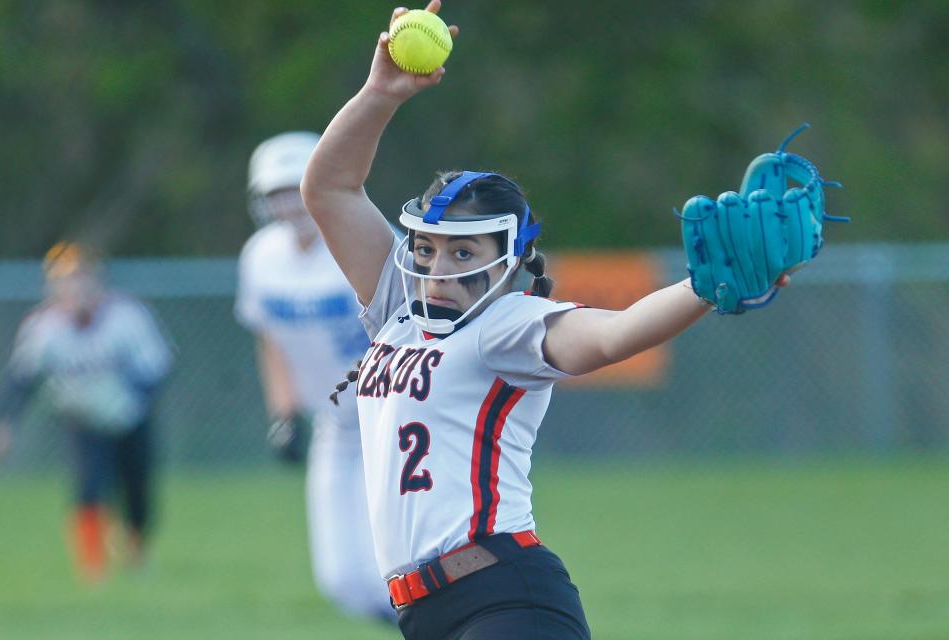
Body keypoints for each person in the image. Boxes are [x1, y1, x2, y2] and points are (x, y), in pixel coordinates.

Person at [299, 3, 792, 638]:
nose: (437, 266)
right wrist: (380, 93)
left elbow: (613, 335)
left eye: (463, 252)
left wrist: (705, 286)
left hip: (504, 598)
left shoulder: (506, 322)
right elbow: (330, 189)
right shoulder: (398, 306)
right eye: (426, 248)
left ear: (510, 261)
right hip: (424, 611)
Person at [235, 132, 394, 620]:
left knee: (395, 567)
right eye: (275, 193)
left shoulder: (365, 238)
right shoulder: (262, 257)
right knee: (343, 581)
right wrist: (283, 413)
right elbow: (271, 340)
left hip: (393, 419)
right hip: (336, 424)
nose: (288, 203)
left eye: (295, 188)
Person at [0, 242, 172, 583]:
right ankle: (93, 567)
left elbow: (157, 367)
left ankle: (134, 544)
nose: (76, 289)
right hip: (82, 418)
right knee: (88, 487)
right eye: (66, 281)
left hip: (129, 417)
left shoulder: (127, 316)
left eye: (82, 279)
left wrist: (131, 399)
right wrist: (4, 423)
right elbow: (21, 379)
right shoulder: (43, 329)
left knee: (137, 490)